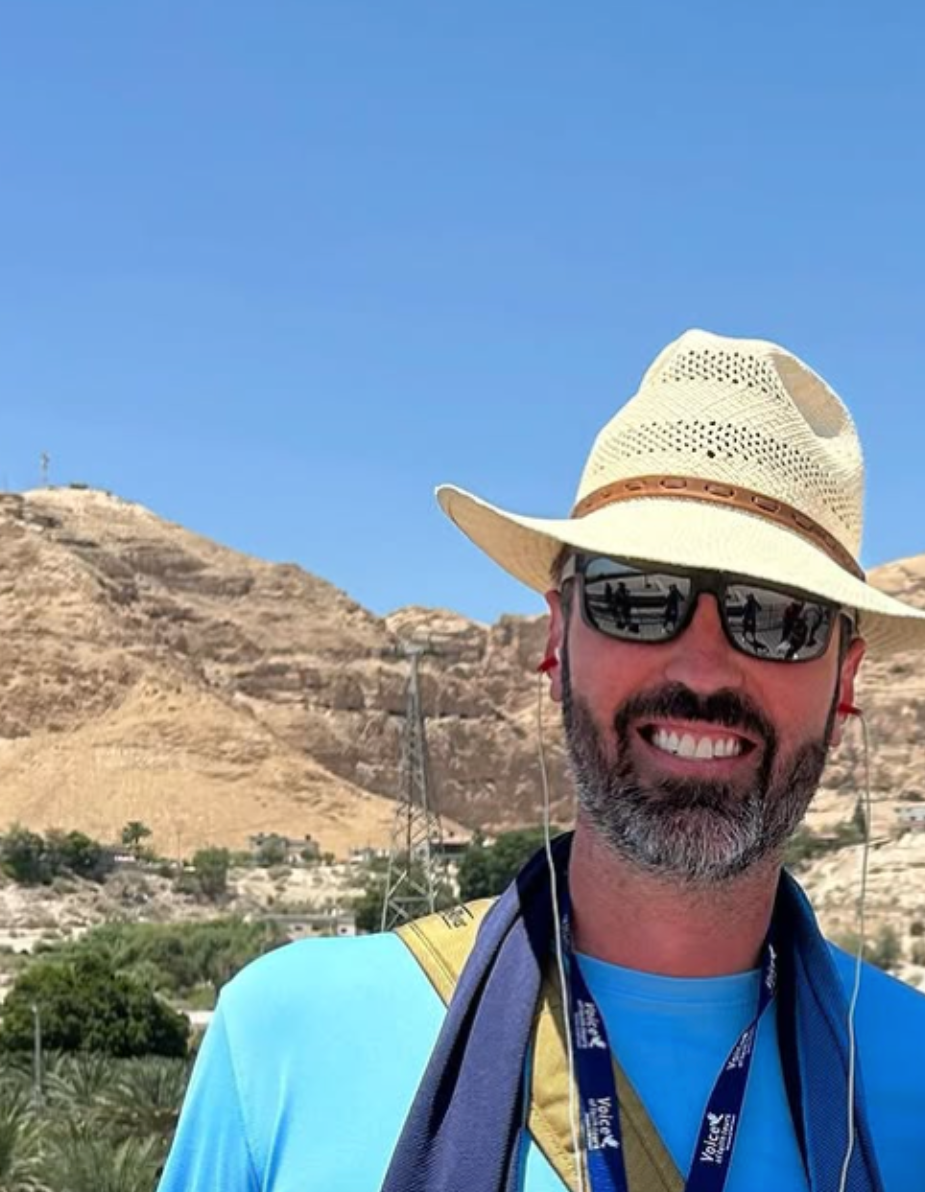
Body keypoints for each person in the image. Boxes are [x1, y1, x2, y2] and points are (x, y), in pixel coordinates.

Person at [159, 330, 925, 1192]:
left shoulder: (913, 1081)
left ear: (846, 677)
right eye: (638, 598)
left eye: (778, 618)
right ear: (558, 636)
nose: (704, 669)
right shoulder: (287, 1045)